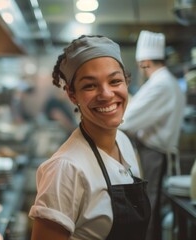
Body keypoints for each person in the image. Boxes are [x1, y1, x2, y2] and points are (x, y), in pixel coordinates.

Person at [28, 35, 151, 240]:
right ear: (72, 95)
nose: (106, 94)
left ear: (126, 83)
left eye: (115, 81)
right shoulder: (65, 169)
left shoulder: (124, 142)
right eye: (90, 86)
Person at [119, 30, 186, 240]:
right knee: (153, 207)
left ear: (145, 61)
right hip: (157, 154)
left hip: (153, 155)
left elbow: (126, 119)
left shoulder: (160, 84)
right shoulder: (170, 82)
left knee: (148, 208)